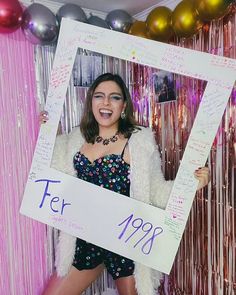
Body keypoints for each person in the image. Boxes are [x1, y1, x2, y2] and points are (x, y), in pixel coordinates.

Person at [41, 73, 210, 295]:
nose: (106, 102)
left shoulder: (139, 141)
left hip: (126, 242)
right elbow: (50, 173)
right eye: (99, 96)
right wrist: (46, 129)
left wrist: (192, 184)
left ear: (124, 105)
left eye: (114, 97)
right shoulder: (76, 139)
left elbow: (157, 192)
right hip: (85, 238)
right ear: (91, 101)